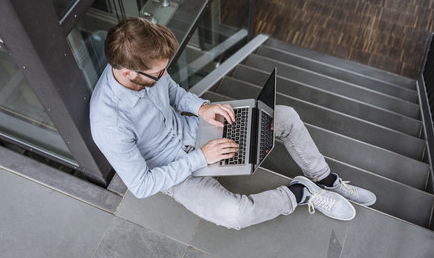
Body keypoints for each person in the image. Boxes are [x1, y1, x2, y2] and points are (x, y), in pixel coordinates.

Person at [89, 17, 376, 230]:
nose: (165, 74)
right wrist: (201, 158)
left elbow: (173, 92)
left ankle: (324, 179)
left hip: (196, 130)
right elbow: (141, 185)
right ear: (128, 73)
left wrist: (201, 107)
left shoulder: (145, 65)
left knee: (284, 116)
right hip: (175, 172)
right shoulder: (108, 124)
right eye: (159, 72)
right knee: (234, 215)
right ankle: (300, 193)